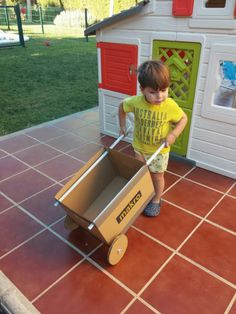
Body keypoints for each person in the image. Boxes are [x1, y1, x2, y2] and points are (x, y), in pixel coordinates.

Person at [118, 60, 188, 217]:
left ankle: (156, 199)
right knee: (140, 173)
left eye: (163, 90)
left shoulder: (170, 105)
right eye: (153, 92)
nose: (160, 96)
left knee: (157, 176)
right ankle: (142, 193)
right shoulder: (135, 102)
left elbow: (183, 118)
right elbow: (122, 107)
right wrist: (122, 126)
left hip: (159, 151)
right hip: (140, 147)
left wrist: (173, 134)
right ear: (142, 90)